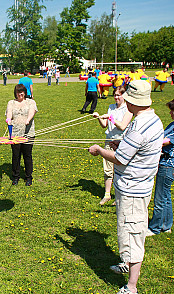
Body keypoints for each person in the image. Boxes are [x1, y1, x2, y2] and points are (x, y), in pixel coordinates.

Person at [88, 80, 164, 294]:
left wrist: (100, 151)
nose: (126, 104)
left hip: (133, 189)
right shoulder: (154, 119)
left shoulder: (139, 126)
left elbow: (120, 159)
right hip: (138, 186)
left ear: (137, 102)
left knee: (132, 233)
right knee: (128, 230)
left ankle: (131, 287)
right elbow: (138, 150)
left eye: (129, 100)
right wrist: (122, 144)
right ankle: (126, 262)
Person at [93, 86, 133, 205]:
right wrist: (99, 117)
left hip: (122, 143)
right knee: (108, 169)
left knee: (120, 170)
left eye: (118, 95)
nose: (116, 97)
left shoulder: (128, 109)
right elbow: (104, 125)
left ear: (124, 96)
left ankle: (119, 196)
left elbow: (122, 126)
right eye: (115, 95)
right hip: (109, 141)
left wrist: (110, 118)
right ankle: (107, 195)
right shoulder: (111, 107)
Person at [147, 99, 174, 236]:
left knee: (160, 197)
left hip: (168, 165)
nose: (170, 113)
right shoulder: (172, 124)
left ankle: (155, 227)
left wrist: (146, 140)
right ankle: (166, 224)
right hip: (164, 163)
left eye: (172, 110)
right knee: (166, 195)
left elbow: (164, 141)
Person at [6, 84, 38, 186]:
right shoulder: (11, 103)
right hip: (15, 133)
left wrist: (28, 120)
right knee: (16, 156)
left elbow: (32, 111)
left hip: (28, 133)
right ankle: (15, 177)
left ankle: (28, 177)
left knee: (27, 155)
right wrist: (8, 120)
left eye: (22, 91)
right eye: (18, 92)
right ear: (15, 93)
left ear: (25, 92)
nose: (20, 94)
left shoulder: (30, 102)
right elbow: (9, 113)